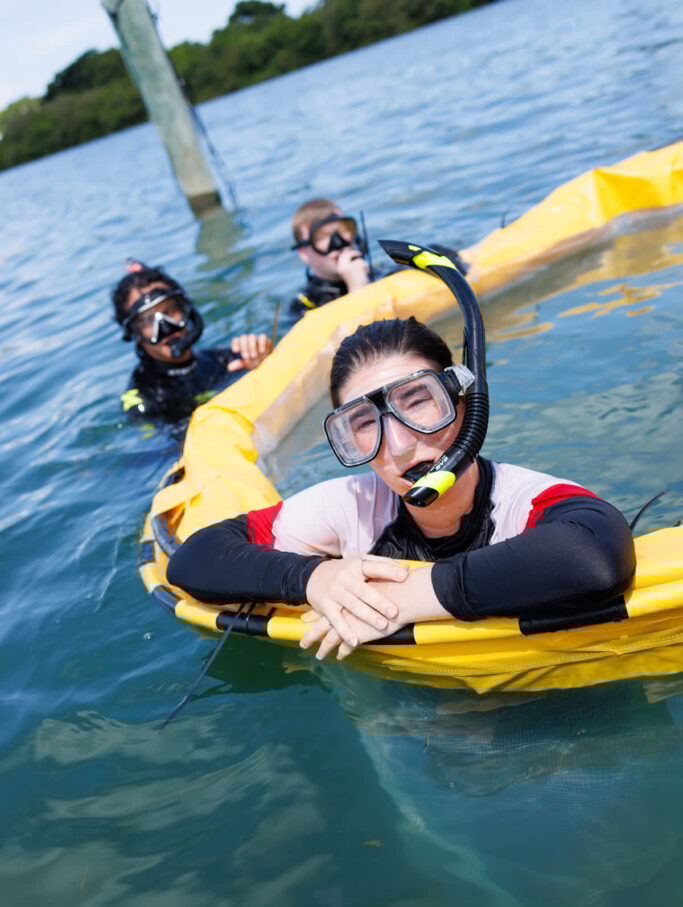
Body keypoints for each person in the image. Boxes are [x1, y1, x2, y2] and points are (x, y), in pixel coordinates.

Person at [167, 316, 635, 661]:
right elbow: (195, 559)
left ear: (464, 402)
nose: (399, 442)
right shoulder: (350, 506)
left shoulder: (522, 501)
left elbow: (595, 556)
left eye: (418, 402)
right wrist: (314, 578)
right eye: (364, 425)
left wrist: (404, 598)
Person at [113, 262, 272, 428]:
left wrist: (262, 364)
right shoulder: (143, 401)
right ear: (134, 334)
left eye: (170, 311)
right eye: (148, 321)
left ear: (186, 310)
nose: (166, 327)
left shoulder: (227, 360)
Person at [288, 198, 468, 323]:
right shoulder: (303, 307)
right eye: (322, 237)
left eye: (344, 230)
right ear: (303, 252)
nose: (338, 243)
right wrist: (357, 286)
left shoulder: (377, 271)